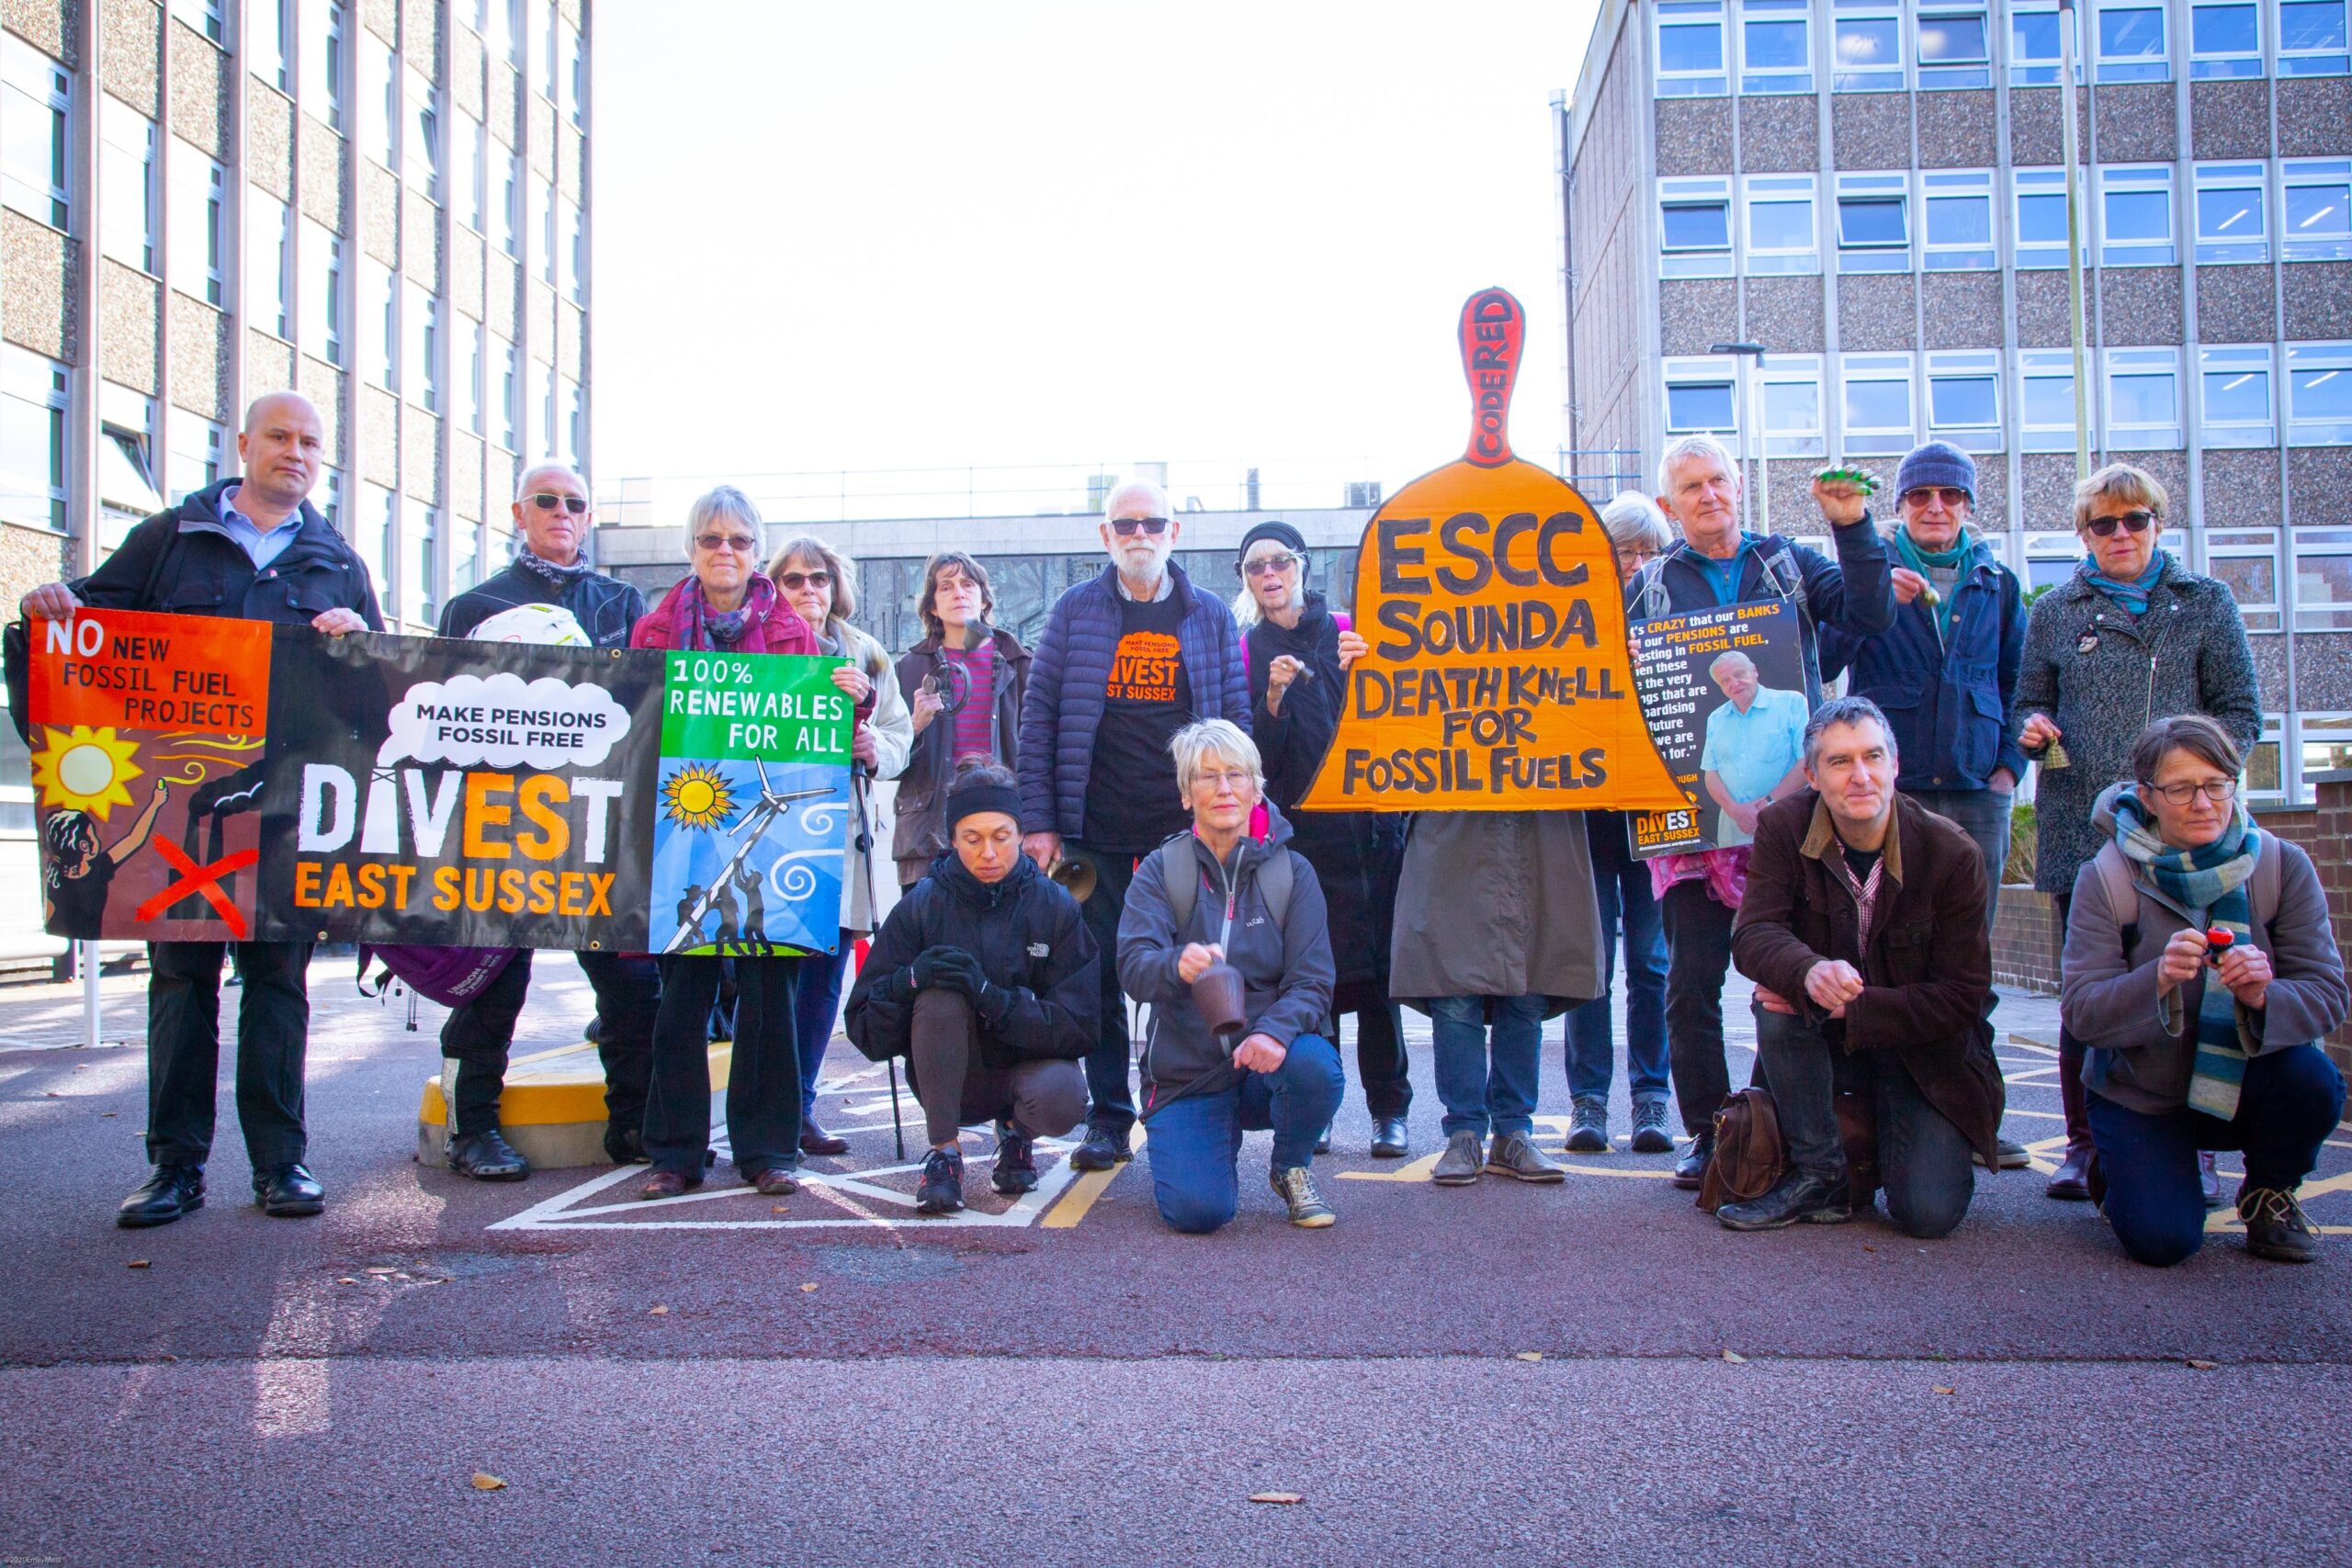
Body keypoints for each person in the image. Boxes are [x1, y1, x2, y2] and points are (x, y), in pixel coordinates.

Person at [20, 391, 381, 1228]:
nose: (296, 453)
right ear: (244, 444)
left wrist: (357, 638)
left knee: (279, 983)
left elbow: (377, 688)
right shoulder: (169, 538)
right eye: (280, 437)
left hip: (284, 811)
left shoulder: (337, 559)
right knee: (182, 983)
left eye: (311, 443)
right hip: (180, 814)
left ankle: (281, 1163)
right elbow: (86, 628)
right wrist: (50, 609)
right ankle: (174, 1168)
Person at [1628, 434, 1895, 1188]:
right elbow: (1610, 683)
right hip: (1690, 828)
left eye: (1718, 480)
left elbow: (1872, 613)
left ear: (1739, 485)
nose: (1708, 495)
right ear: (1669, 505)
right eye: (1691, 487)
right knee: (1691, 983)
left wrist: (1852, 526)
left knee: (1790, 974)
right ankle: (1711, 1131)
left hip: (1796, 819)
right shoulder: (1647, 588)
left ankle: (1770, 1120)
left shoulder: (1790, 563)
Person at [2013, 463, 2261, 1202]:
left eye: (2135, 520)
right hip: (2081, 829)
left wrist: (2197, 779)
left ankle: (2197, 1144)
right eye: (2103, 524)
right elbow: (2029, 701)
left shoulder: (2206, 602)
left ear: (2158, 523)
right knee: (2086, 987)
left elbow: (2241, 713)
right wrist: (2032, 727)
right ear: (2084, 534)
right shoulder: (2055, 610)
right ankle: (2083, 1143)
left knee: (2192, 981)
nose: (2120, 534)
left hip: (2185, 832)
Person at [431, 461, 659, 1180]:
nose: (563, 511)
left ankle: (635, 1124)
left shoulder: (623, 602)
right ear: (518, 512)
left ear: (589, 517)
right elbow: (438, 713)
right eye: (547, 500)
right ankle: (472, 1128)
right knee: (490, 985)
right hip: (503, 825)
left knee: (631, 985)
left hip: (598, 825)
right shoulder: (472, 606)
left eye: (575, 503)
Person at [1019, 479, 1250, 1174]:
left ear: (1174, 532)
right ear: (1106, 536)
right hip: (1092, 832)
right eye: (1126, 525)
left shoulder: (1209, 614)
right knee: (1095, 977)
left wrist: (1235, 810)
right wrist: (1040, 821)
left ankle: (1188, 1103)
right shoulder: (1074, 610)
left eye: (1152, 523)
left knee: (1194, 970)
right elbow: (1039, 717)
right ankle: (1110, 1117)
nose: (1139, 535)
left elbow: (1235, 722)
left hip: (1184, 837)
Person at [2060, 716, 2346, 1266]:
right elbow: (2082, 1012)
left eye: (2217, 784)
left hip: (2248, 1083)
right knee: (2163, 1242)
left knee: (2314, 1081)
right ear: (2147, 795)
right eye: (2181, 789)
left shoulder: (2280, 866)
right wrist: (2157, 978)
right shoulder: (2107, 876)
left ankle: (2269, 1191)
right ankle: (2117, 1167)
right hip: (2143, 1091)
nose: (2203, 803)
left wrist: (2264, 996)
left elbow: (2328, 994)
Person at [1818, 440, 2032, 1171]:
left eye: (1950, 495)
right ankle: (1882, 1113)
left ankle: (1976, 1113)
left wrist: (2008, 767)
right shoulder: (1873, 569)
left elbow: (2017, 680)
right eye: (1919, 495)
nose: (1935, 507)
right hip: (1892, 788)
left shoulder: (1996, 580)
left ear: (1969, 504)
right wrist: (1879, 600)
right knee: (1878, 945)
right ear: (1901, 504)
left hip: (1976, 788)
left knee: (1969, 956)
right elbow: (1828, 658)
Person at [1725, 697, 2006, 1235]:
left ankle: (1894, 1135)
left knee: (1928, 1215)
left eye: (1873, 757)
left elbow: (1963, 996)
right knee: (1778, 1002)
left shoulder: (1952, 853)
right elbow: (1753, 934)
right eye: (1839, 761)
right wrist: (1807, 972)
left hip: (1922, 1053)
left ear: (1894, 765)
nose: (1860, 776)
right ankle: (1819, 1175)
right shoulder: (1783, 827)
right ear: (1812, 776)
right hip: (1824, 1050)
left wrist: (1851, 1009)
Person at [629, 487, 821, 1200]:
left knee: (770, 995)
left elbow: (815, 730)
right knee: (682, 994)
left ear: (755, 552)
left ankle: (768, 1148)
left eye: (739, 540)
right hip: (681, 827)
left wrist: (851, 697)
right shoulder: (653, 630)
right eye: (711, 539)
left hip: (772, 832)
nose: (725, 551)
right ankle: (675, 1151)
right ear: (691, 549)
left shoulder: (794, 634)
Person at [1116, 720, 1342, 1232]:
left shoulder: (1293, 873)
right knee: (1199, 1214)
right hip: (1187, 1074)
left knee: (1315, 1067)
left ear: (1256, 788)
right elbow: (1132, 968)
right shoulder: (1159, 869)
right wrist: (1175, 965)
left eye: (1236, 775)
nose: (1223, 788)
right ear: (1186, 794)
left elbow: (1312, 982)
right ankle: (1204, 1144)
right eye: (1207, 776)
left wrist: (1274, 1033)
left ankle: (1290, 1167)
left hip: (1265, 1065)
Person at [1232, 521, 1411, 1157]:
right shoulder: (1247, 652)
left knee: (1380, 983)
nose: (1269, 574)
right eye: (1255, 566)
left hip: (1369, 836)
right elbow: (1257, 763)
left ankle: (1390, 1110)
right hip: (1300, 843)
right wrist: (1274, 697)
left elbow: (1395, 720)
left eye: (1279, 560)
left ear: (1301, 565)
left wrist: (1368, 671)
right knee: (1313, 983)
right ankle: (1323, 1106)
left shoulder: (1347, 629)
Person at [843, 765, 1096, 1214]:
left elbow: (1081, 1025)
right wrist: (908, 982)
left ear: (1021, 835)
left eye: (1001, 836)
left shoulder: (1054, 906)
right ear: (952, 840)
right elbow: (864, 1030)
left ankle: (1016, 1135)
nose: (989, 853)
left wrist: (994, 1000)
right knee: (939, 996)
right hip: (947, 1078)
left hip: (1027, 1074)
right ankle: (944, 1154)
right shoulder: (921, 906)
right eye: (972, 838)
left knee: (1065, 1095)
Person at [768, 534, 913, 1158]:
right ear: (774, 586)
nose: (809, 590)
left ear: (836, 586)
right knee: (768, 980)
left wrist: (874, 747)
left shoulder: (866, 651)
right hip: (769, 833)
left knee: (823, 978)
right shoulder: (755, 645)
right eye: (794, 579)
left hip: (842, 835)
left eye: (819, 578)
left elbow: (900, 733)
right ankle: (763, 1109)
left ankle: (800, 1106)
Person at [1563, 493, 1676, 1156]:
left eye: (1648, 551)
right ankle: (1589, 1100)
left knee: (1652, 964)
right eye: (1624, 550)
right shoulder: (1572, 614)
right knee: (1591, 964)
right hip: (1590, 814)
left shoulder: (1676, 613)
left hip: (1656, 814)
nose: (1636, 563)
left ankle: (1652, 1096)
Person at [893, 552, 1031, 888]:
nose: (958, 593)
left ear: (984, 600)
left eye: (967, 584)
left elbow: (1042, 751)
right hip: (928, 831)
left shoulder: (1020, 663)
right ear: (933, 607)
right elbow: (886, 764)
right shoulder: (909, 668)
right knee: (926, 921)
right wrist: (915, 725)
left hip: (1001, 820)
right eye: (946, 586)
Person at [1696, 650, 1808, 850]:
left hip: (1785, 821)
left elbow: (1807, 761)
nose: (1734, 683)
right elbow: (1711, 774)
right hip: (1733, 829)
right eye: (1725, 680)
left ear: (1754, 671)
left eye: (1739, 674)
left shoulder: (1791, 703)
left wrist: (1768, 805)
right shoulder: (1715, 719)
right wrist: (1736, 811)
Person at [40, 782, 171, 939]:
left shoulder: (55, 876)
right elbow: (134, 839)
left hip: (71, 934)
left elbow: (134, 840)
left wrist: (155, 804)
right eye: (93, 834)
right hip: (88, 935)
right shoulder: (98, 869)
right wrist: (155, 804)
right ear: (84, 845)